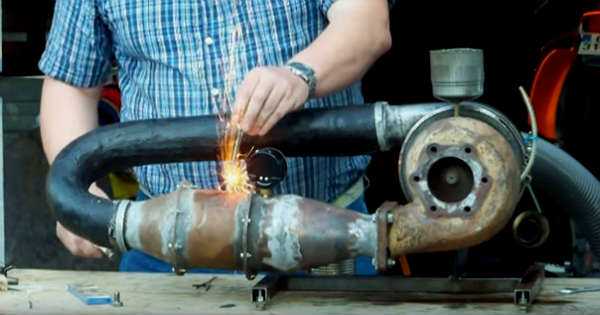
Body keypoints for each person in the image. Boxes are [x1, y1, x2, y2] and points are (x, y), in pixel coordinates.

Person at [39, 0, 394, 274]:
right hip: (163, 247)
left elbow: (365, 25)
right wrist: (76, 193)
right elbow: (72, 86)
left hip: (322, 237)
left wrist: (299, 75)